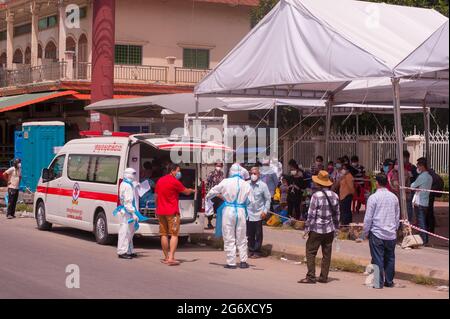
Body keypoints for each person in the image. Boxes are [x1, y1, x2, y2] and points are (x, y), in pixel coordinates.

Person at [206, 163, 253, 269]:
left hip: (228, 210)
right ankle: (243, 261)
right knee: (242, 237)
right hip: (241, 210)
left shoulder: (225, 182)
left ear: (231, 171)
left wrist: (208, 197)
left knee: (229, 236)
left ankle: (231, 262)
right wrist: (243, 204)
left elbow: (213, 191)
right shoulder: (246, 184)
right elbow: (251, 201)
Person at [298, 170, 339, 284]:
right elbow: (337, 215)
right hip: (329, 229)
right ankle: (324, 277)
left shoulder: (316, 196)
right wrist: (337, 228)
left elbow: (311, 215)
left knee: (310, 252)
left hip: (317, 229)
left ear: (318, 183)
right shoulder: (335, 196)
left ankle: (311, 276)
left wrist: (306, 229)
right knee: (327, 254)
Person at [363, 174, 400, 289]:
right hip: (391, 233)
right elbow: (397, 215)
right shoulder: (394, 197)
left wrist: (365, 232)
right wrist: (395, 228)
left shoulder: (373, 197)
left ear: (377, 183)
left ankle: (378, 282)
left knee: (378, 257)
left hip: (377, 232)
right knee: (390, 258)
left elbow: (368, 217)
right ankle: (389, 281)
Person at [155, 163, 195, 265]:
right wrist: (192, 190)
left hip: (161, 211)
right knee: (174, 234)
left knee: (163, 234)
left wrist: (157, 208)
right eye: (178, 170)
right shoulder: (175, 181)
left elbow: (156, 196)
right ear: (172, 171)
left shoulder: (160, 180)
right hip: (172, 212)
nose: (179, 173)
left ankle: (166, 257)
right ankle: (171, 257)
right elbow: (185, 191)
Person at [115, 168, 140, 259]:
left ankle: (129, 250)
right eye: (133, 173)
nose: (134, 175)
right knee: (125, 232)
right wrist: (133, 213)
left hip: (125, 211)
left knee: (129, 232)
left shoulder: (125, 184)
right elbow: (128, 201)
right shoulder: (127, 186)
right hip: (127, 212)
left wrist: (135, 185)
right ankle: (122, 251)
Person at [247, 167, 271, 259]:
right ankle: (250, 249)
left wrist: (265, 211)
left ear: (259, 174)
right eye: (252, 173)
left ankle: (257, 251)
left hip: (259, 214)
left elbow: (268, 199)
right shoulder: (246, 184)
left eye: (255, 173)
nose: (253, 175)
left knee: (258, 233)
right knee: (249, 233)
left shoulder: (263, 186)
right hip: (248, 213)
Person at [410, 158, 433, 244]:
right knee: (423, 221)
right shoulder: (430, 177)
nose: (417, 168)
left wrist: (413, 184)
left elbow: (413, 185)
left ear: (422, 166)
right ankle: (424, 238)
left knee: (421, 222)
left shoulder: (422, 176)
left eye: (418, 166)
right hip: (426, 202)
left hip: (420, 202)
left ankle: (424, 240)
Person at [205, 161, 225, 229]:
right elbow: (207, 183)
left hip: (220, 195)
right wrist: (207, 193)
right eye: (217, 165)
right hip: (212, 194)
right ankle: (209, 223)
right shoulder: (211, 174)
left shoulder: (222, 174)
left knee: (220, 209)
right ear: (215, 165)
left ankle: (219, 224)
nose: (218, 167)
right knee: (211, 210)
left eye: (220, 165)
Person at [403, 150, 418, 222]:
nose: (404, 159)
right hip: (401, 189)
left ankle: (408, 221)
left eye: (405, 157)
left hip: (410, 190)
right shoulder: (399, 167)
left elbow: (416, 178)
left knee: (409, 206)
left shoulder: (412, 167)